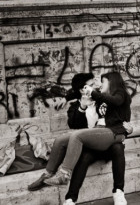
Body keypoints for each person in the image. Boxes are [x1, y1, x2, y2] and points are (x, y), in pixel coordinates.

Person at [28, 73, 131, 204]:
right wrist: (74, 102)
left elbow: (117, 102)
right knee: (61, 140)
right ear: (83, 90)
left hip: (111, 137)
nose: (97, 86)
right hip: (92, 142)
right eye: (91, 85)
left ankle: (118, 192)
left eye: (99, 83)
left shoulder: (109, 96)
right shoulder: (81, 103)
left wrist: (128, 129)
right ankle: (50, 178)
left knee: (116, 147)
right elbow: (74, 120)